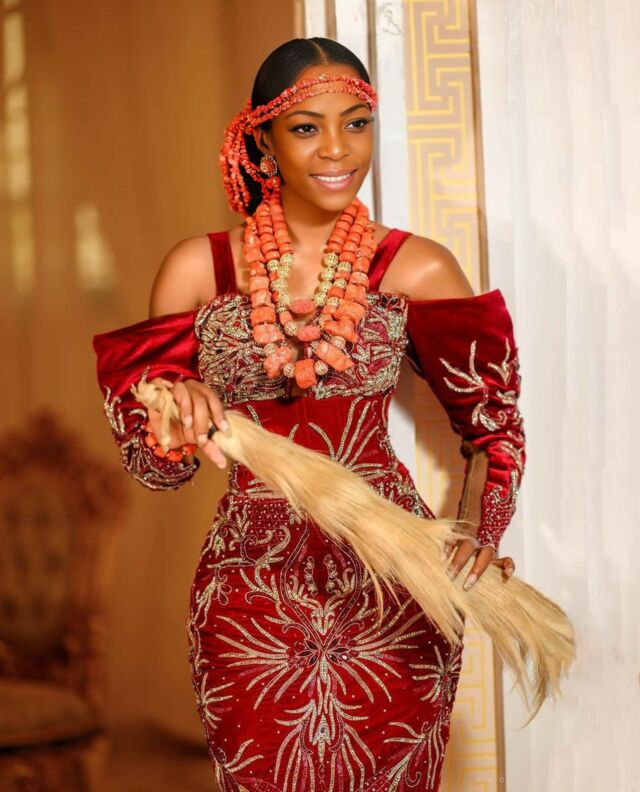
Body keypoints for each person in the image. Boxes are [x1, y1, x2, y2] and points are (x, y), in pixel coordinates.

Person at [93, 37, 524, 792]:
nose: (337, 149)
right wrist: (175, 412)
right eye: (305, 127)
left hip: (394, 589)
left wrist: (476, 537)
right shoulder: (198, 270)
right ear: (261, 139)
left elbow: (494, 429)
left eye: (356, 124)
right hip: (249, 594)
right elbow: (154, 469)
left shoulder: (418, 266)